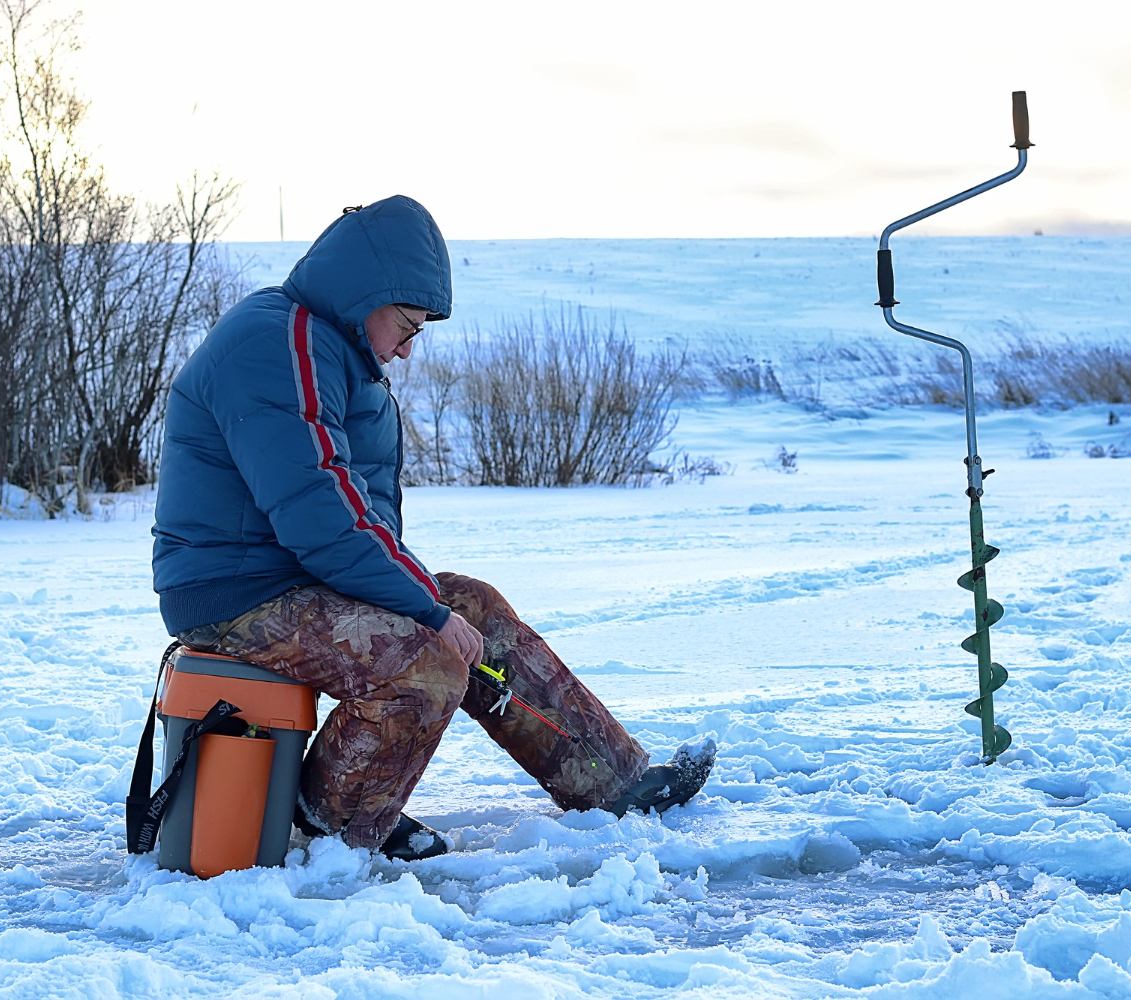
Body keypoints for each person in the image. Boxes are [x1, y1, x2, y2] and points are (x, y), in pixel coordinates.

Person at [152, 195, 713, 860]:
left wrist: (429, 602)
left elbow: (345, 518)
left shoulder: (326, 346)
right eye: (408, 327)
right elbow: (320, 512)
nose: (408, 351)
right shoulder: (282, 344)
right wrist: (421, 609)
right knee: (424, 660)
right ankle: (332, 815)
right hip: (236, 595)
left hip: (293, 578)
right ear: (369, 295)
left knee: (470, 606)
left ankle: (614, 781)